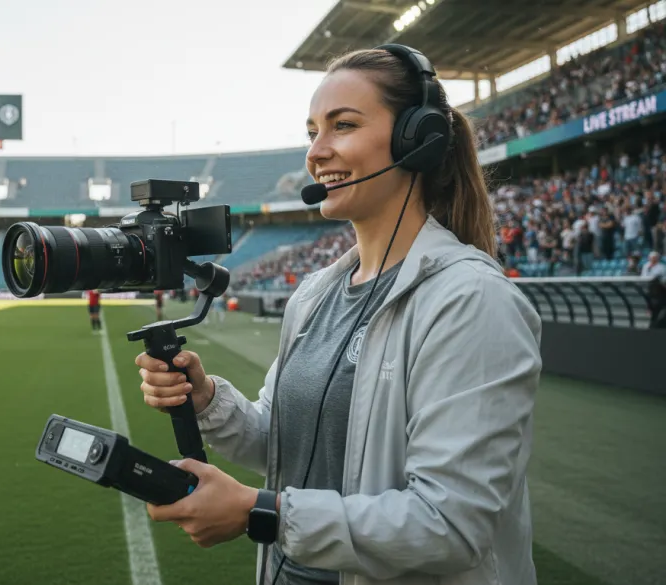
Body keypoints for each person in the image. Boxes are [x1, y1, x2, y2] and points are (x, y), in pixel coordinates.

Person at [135, 44, 542, 585]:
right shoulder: (314, 295)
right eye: (311, 133)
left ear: (416, 140)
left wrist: (262, 512)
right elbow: (283, 446)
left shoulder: (470, 299)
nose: (316, 152)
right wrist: (209, 398)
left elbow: (451, 524)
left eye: (342, 126)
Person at [641, 251, 666, 327]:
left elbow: (663, 279)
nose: (653, 259)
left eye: (655, 258)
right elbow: (643, 277)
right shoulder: (646, 266)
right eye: (651, 258)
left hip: (659, 291)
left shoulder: (662, 267)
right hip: (649, 290)